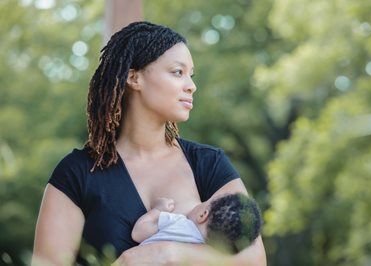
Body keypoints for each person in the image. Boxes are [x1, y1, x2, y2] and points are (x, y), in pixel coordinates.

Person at [33, 21, 266, 265]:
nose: (191, 85)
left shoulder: (209, 163)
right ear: (134, 77)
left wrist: (167, 253)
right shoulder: (75, 174)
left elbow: (254, 259)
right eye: (178, 72)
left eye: (191, 75)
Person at [132, 193, 262, 254]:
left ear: (203, 215)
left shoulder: (179, 223)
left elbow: (138, 233)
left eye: (206, 201)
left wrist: (158, 209)